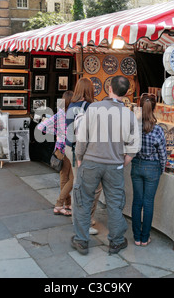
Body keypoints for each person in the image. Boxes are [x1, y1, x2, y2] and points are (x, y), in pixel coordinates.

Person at [71, 75, 140, 255]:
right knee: (115, 204)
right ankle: (116, 242)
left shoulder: (94, 108)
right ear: (126, 94)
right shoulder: (129, 115)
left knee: (82, 201)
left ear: (109, 88)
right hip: (115, 165)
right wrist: (123, 162)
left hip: (91, 162)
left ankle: (81, 240)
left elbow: (82, 137)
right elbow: (134, 146)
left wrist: (79, 158)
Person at [65, 78, 101, 235]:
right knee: (89, 188)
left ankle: (80, 219)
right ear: (89, 90)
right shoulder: (88, 107)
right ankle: (83, 221)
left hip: (70, 148)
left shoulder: (71, 105)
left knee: (80, 186)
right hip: (80, 150)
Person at [131, 93, 167, 247]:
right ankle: (145, 238)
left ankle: (136, 237)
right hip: (152, 167)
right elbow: (163, 154)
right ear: (154, 107)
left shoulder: (134, 127)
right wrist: (162, 168)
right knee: (148, 203)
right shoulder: (158, 130)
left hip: (136, 164)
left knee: (137, 202)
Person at [37, 91, 74, 217]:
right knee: (72, 179)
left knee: (64, 177)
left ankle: (67, 204)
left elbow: (40, 127)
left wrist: (56, 132)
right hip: (68, 149)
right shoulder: (73, 114)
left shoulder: (59, 114)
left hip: (59, 149)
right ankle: (59, 205)